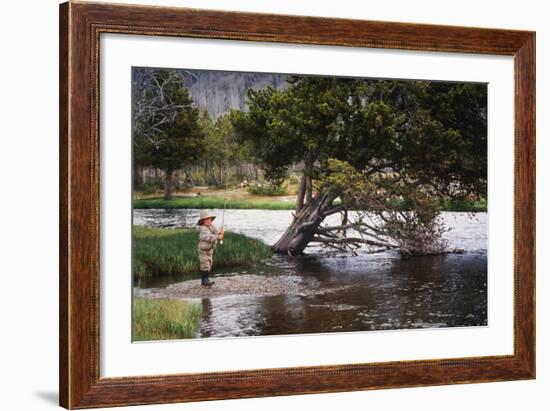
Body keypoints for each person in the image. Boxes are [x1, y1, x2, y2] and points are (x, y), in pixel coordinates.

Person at [197, 210, 224, 287]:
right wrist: (218, 237)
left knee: (209, 264)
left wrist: (220, 232)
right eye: (206, 219)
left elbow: (216, 232)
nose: (208, 221)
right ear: (202, 221)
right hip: (203, 250)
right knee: (204, 264)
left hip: (209, 250)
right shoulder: (203, 229)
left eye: (209, 219)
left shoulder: (212, 226)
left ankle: (207, 279)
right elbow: (209, 237)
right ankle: (204, 281)